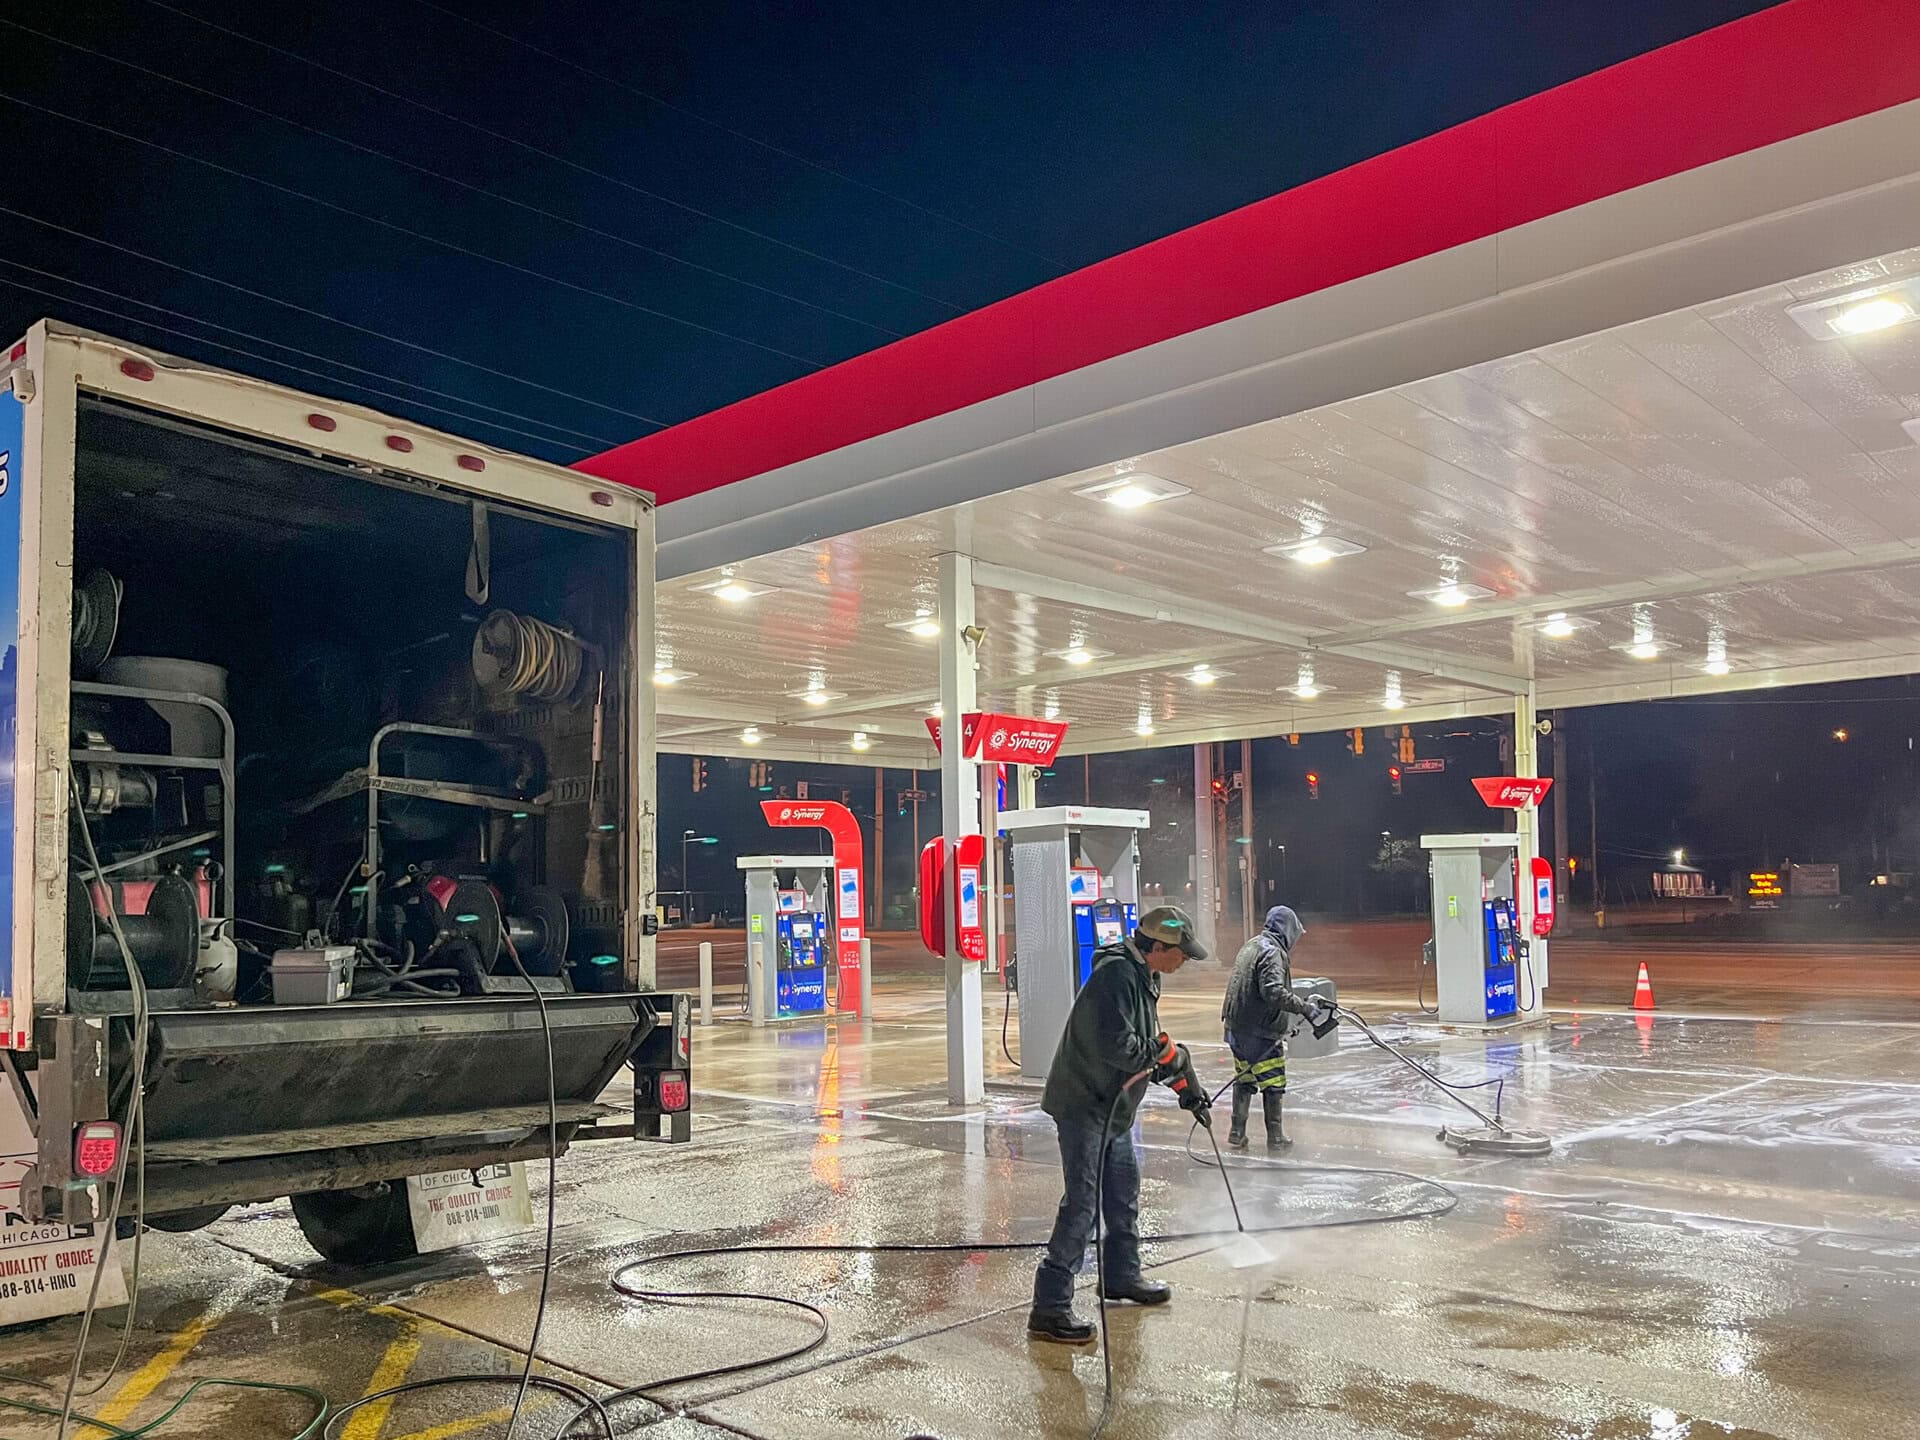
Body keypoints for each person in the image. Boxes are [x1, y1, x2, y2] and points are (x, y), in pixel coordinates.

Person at [1027, 905, 1211, 1345]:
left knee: (1123, 1193)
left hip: (1114, 1107)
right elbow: (1123, 1047)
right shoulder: (1116, 976)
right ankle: (1049, 1307)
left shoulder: (1146, 977)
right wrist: (1169, 1056)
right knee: (1083, 1205)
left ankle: (1122, 1277)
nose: (1184, 960)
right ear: (1159, 947)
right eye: (1181, 953)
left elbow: (1151, 1044)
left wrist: (1185, 1084)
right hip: (1084, 1105)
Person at [1221, 905, 1335, 1152]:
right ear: (1287, 930)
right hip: (1259, 1031)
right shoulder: (1272, 952)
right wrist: (1303, 1007)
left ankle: (1237, 1132)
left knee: (1245, 1079)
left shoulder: (1251, 945)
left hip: (1235, 1029)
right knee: (1273, 1083)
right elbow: (1273, 992)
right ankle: (1276, 1137)